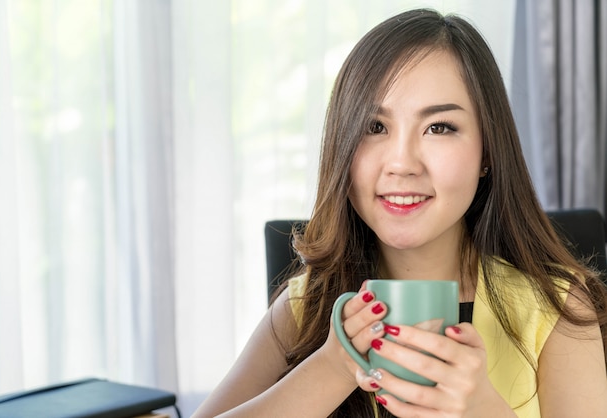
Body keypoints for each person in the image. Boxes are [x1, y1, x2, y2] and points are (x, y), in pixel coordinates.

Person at [192, 8, 607, 417]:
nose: (402, 163)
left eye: (439, 127)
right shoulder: (304, 308)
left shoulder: (558, 310)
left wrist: (483, 409)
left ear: (487, 152)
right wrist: (334, 367)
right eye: (375, 127)